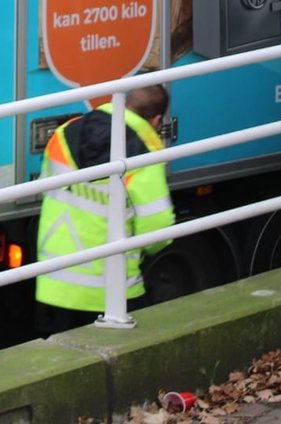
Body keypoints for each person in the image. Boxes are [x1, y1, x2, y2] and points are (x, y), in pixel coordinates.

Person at [34, 84, 175, 331]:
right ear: (156, 120)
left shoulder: (65, 133)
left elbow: (47, 187)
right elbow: (158, 226)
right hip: (110, 292)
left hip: (54, 284)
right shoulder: (143, 154)